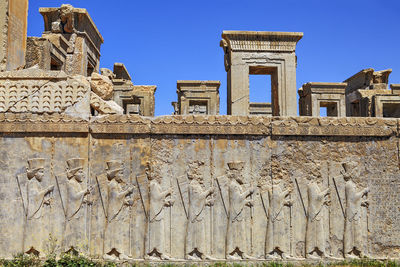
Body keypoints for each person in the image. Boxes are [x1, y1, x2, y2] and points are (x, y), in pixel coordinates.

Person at [103, 160, 134, 261]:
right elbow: (115, 198)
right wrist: (127, 192)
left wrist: (125, 201)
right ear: (115, 174)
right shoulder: (112, 184)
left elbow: (118, 199)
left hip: (117, 212)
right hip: (113, 213)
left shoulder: (117, 184)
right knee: (112, 232)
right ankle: (107, 253)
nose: (122, 175)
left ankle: (119, 252)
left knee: (118, 232)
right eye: (120, 173)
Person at [24, 158, 54, 256]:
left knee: (38, 231)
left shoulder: (36, 183)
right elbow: (34, 197)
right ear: (35, 173)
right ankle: (29, 251)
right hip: (33, 213)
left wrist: (45, 201)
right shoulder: (32, 183)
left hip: (37, 212)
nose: (43, 174)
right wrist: (47, 190)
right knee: (34, 231)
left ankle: (36, 250)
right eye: (41, 172)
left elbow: (38, 198)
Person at [186, 161, 215, 260]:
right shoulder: (193, 185)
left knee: (200, 233)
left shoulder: (197, 185)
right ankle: (189, 254)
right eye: (199, 174)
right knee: (193, 233)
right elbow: (197, 199)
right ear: (195, 175)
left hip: (199, 213)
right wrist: (208, 192)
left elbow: (199, 200)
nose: (201, 176)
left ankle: (202, 253)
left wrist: (206, 202)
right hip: (195, 214)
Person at [226, 161, 255, 260]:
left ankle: (242, 252)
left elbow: (239, 200)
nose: (242, 174)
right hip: (235, 213)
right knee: (234, 232)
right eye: (240, 172)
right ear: (234, 174)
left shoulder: (237, 185)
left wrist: (247, 202)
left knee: (241, 232)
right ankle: (229, 254)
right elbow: (237, 199)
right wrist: (248, 192)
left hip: (238, 212)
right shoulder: (233, 185)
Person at [146, 164, 174, 260]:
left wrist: (166, 202)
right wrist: (167, 192)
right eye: (160, 175)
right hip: (155, 214)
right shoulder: (153, 185)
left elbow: (157, 200)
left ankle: (160, 252)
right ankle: (149, 254)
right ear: (156, 175)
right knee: (155, 233)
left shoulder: (155, 185)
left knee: (159, 234)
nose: (161, 176)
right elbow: (156, 198)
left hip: (158, 212)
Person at [342, 162, 369, 259]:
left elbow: (353, 200)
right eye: (355, 171)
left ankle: (360, 251)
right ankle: (347, 253)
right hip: (351, 212)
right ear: (352, 173)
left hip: (354, 211)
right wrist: (363, 191)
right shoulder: (349, 185)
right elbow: (353, 198)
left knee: (357, 232)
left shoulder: (352, 184)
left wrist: (362, 202)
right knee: (349, 232)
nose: (357, 173)